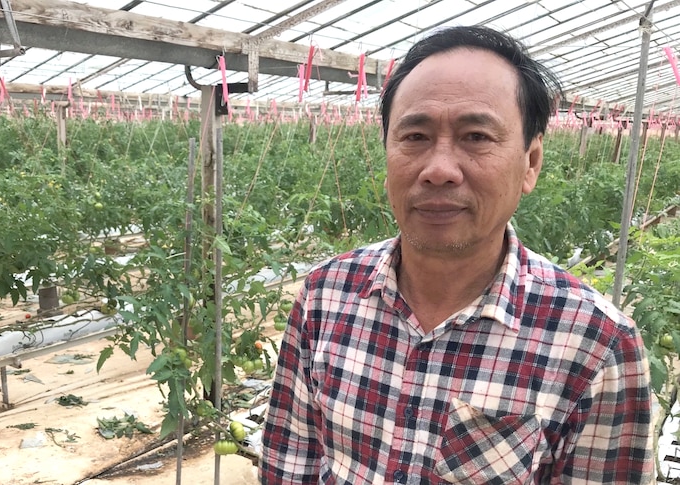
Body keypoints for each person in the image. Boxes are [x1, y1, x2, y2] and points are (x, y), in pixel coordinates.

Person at [260, 25, 653, 484]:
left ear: (530, 163)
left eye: (476, 137)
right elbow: (291, 464)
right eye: (415, 137)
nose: (439, 170)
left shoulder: (597, 346)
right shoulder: (325, 296)